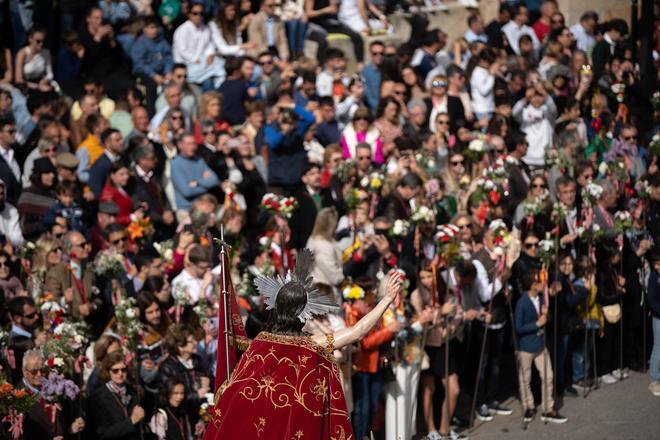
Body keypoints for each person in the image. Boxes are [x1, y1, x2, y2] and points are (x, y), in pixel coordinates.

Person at [205, 250, 403, 439]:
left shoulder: (260, 343)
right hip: (296, 424)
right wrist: (386, 299)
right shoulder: (312, 344)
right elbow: (357, 331)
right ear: (302, 313)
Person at [514, 268, 568, 424]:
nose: (543, 284)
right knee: (525, 378)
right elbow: (519, 328)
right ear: (532, 285)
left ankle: (548, 408)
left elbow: (546, 318)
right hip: (525, 347)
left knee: (548, 376)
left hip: (541, 344)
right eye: (539, 282)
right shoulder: (522, 302)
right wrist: (537, 324)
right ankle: (528, 406)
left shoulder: (542, 298)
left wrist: (546, 314)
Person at [88, 351, 146, 439]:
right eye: (115, 370)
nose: (120, 374)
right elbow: (102, 432)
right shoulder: (99, 396)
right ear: (108, 371)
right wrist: (131, 421)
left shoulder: (132, 391)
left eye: (123, 369)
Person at [173, 2, 227, 90]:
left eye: (201, 13)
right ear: (189, 14)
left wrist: (210, 54)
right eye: (195, 13)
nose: (198, 16)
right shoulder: (182, 30)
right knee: (208, 81)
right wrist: (194, 58)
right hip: (186, 64)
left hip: (202, 62)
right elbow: (183, 51)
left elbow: (209, 44)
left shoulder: (205, 28)